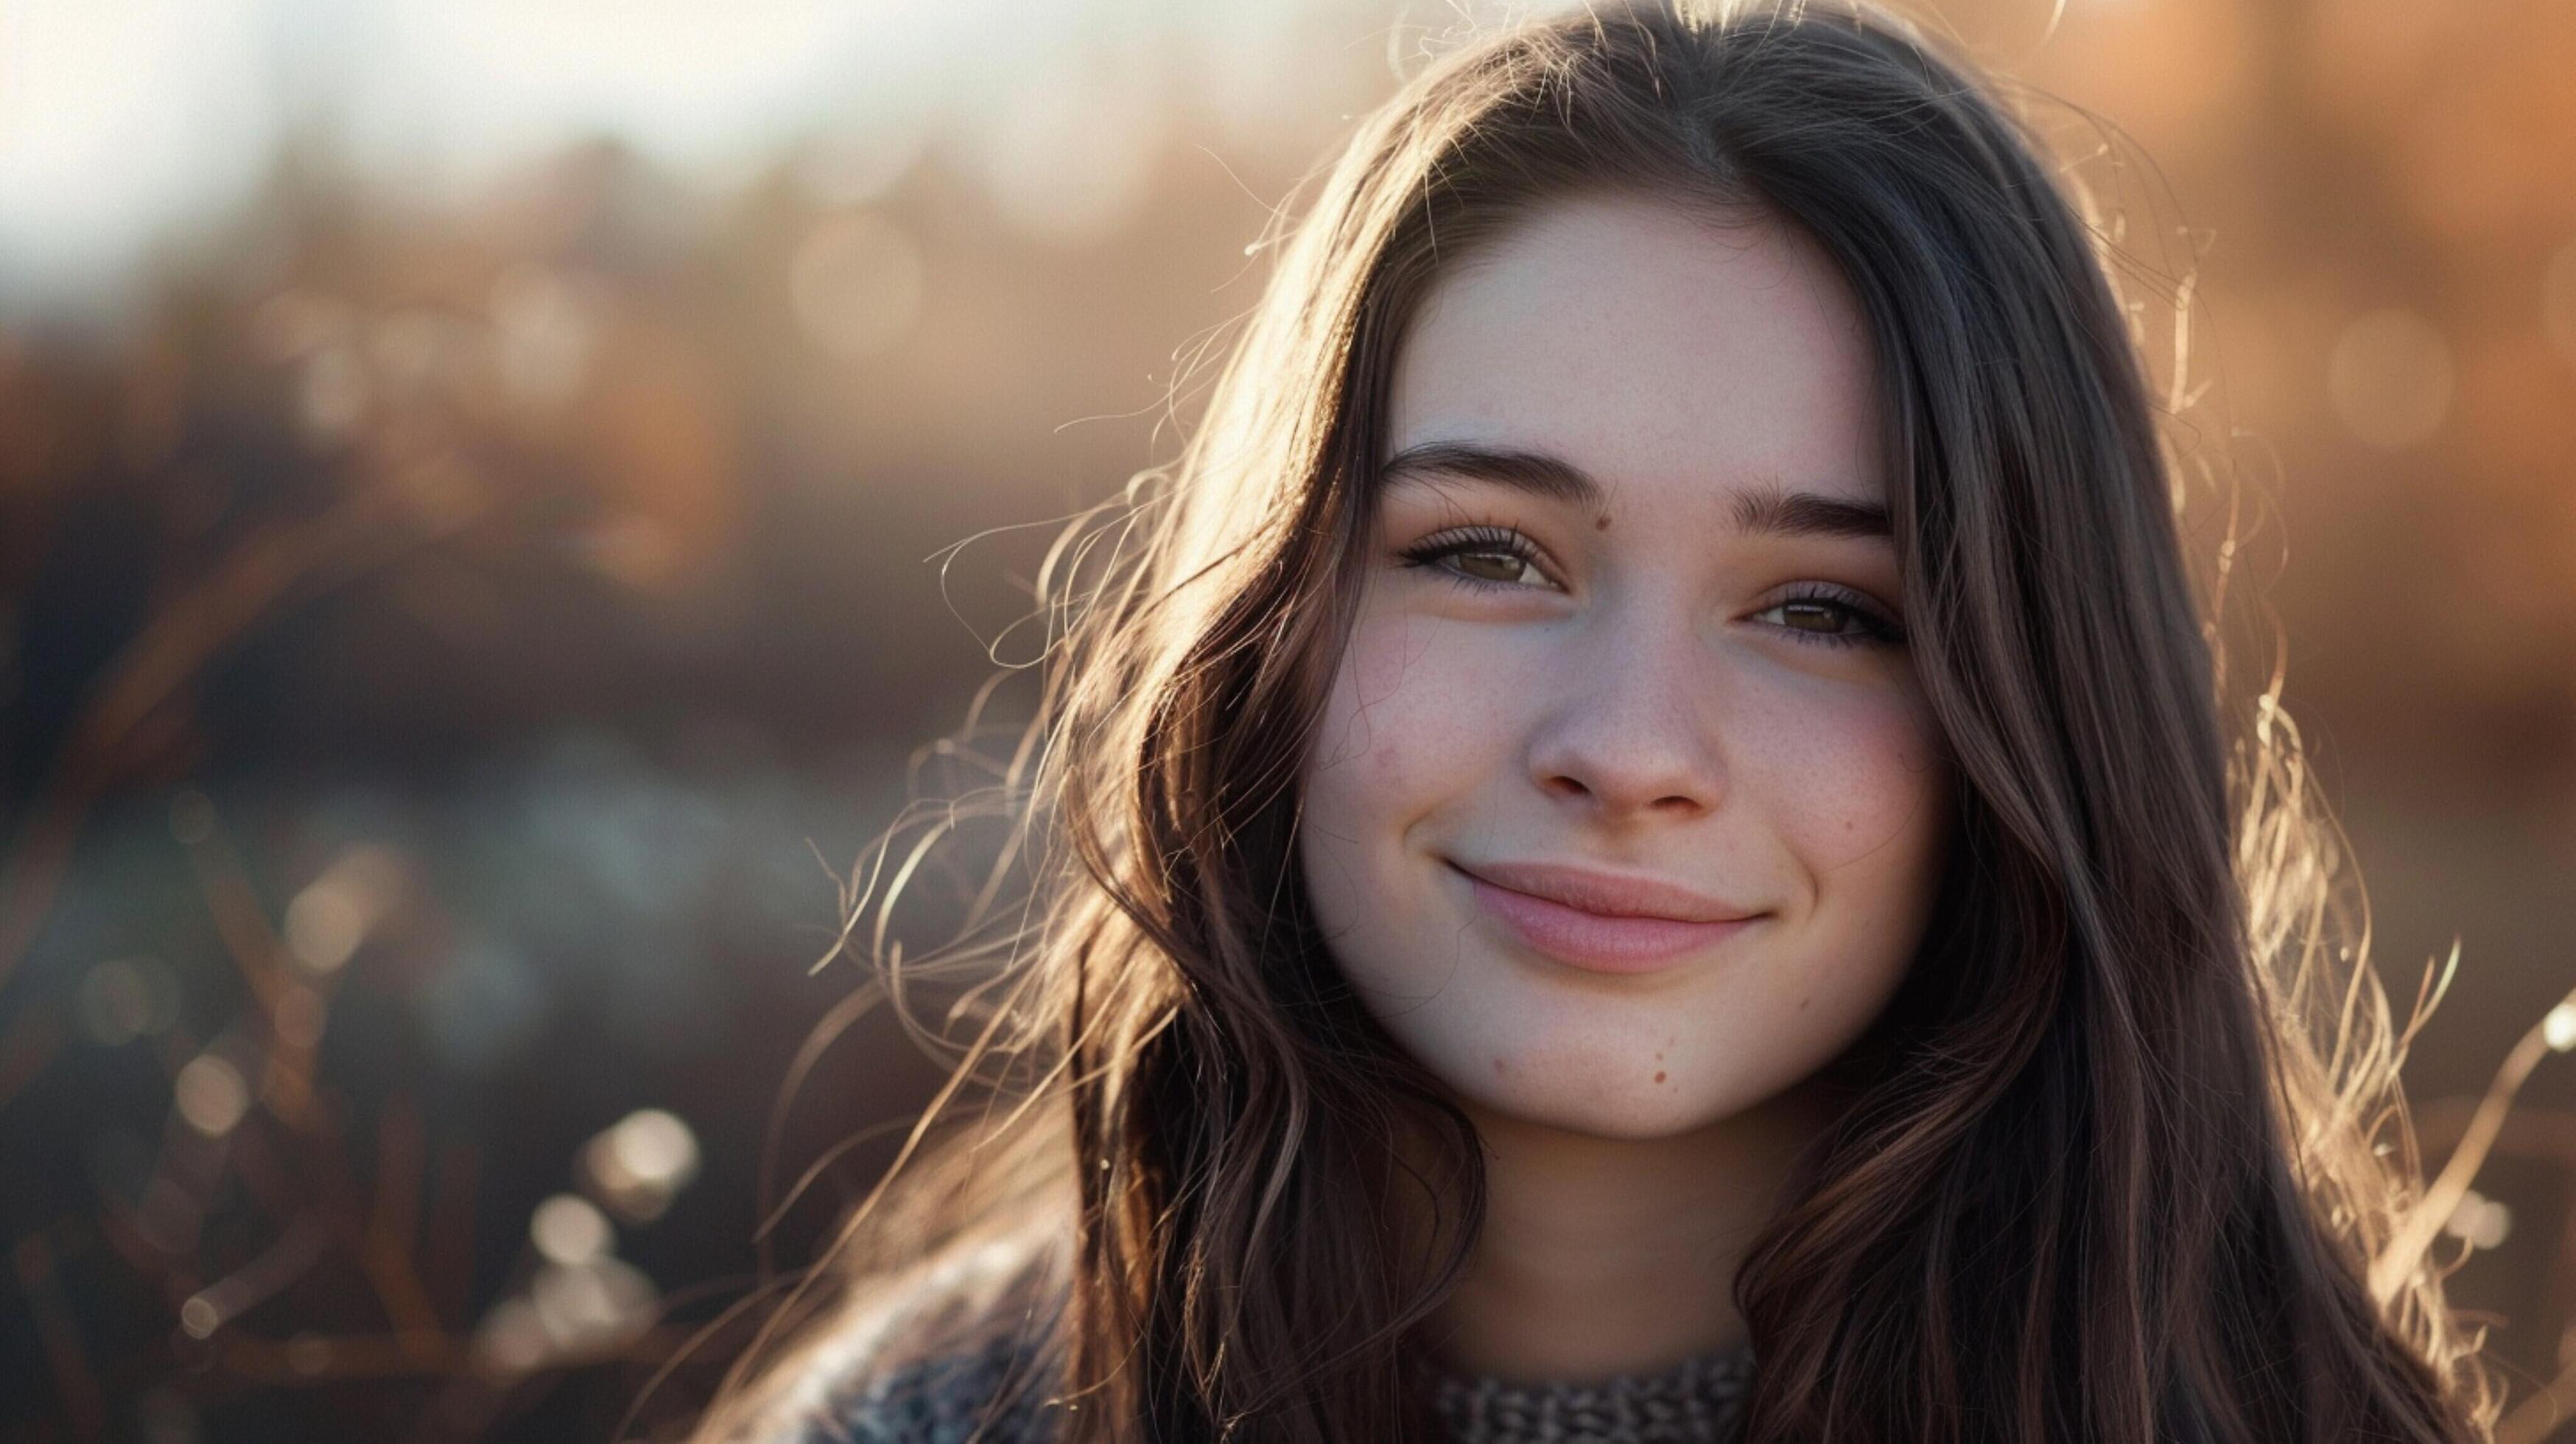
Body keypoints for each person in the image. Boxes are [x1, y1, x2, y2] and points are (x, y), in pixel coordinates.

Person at [693, 1, 2496, 1439]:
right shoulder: (932, 1425)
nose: (1628, 747)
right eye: (1487, 553)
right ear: (1272, 633)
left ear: (2041, 712)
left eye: (1826, 608)